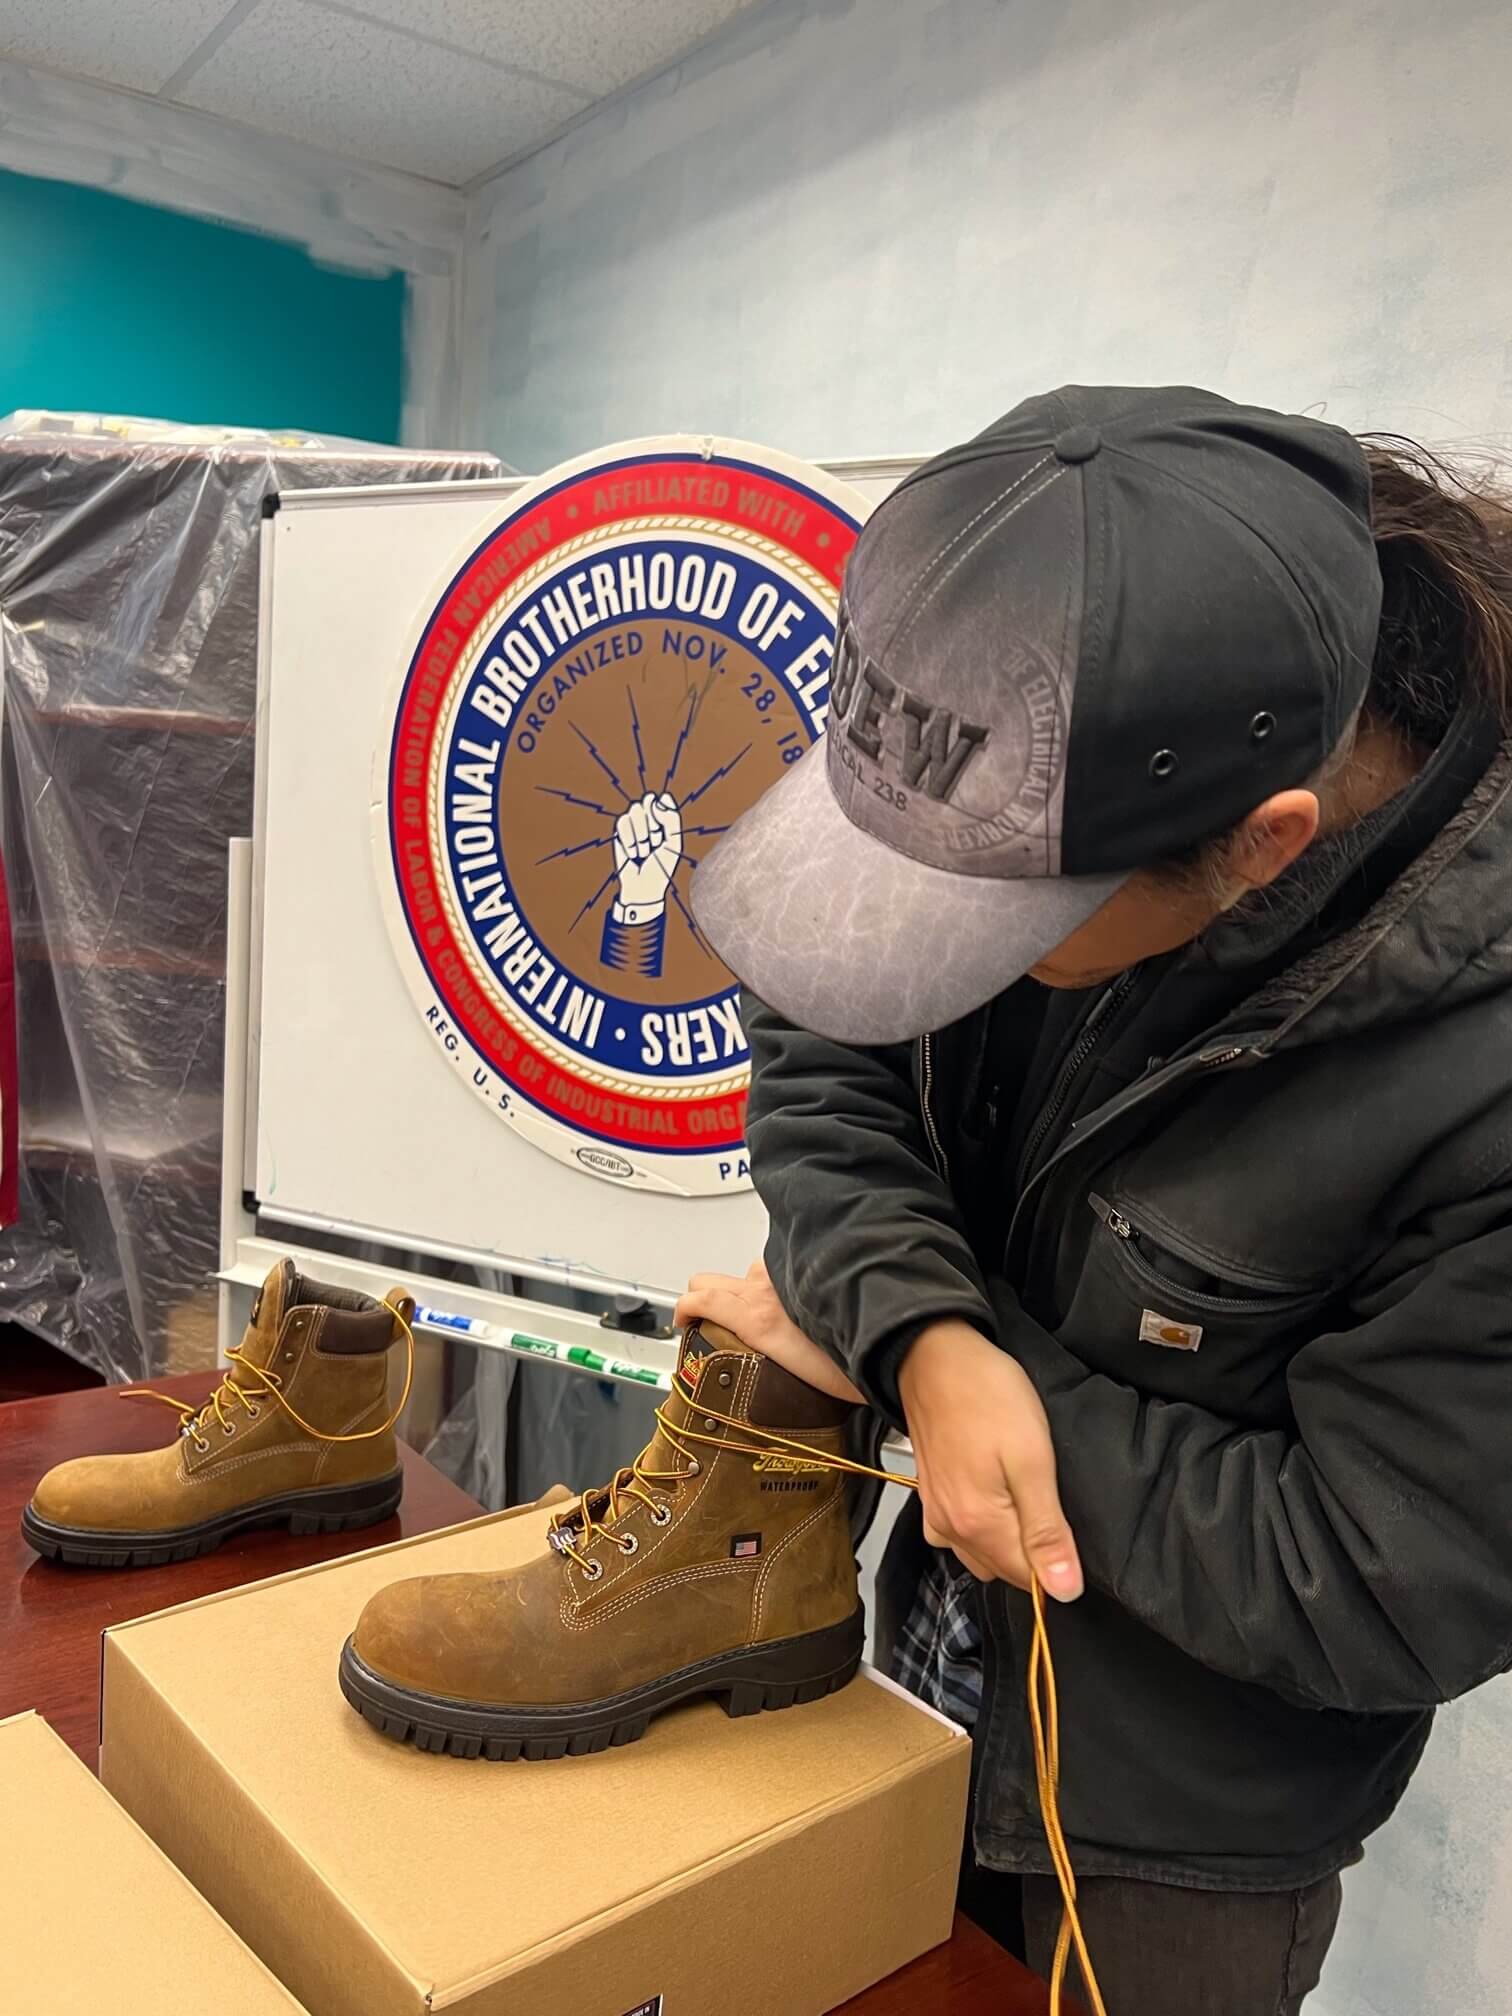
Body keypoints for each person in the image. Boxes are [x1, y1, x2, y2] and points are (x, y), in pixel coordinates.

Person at [677, 385, 1512, 2015]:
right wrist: (920, 1333)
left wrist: (998, 1382)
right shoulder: (1035, 720)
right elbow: (828, 1020)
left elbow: (1382, 1577)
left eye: (976, 929)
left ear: (1261, 850)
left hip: (1179, 1848)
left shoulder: (1480, 1078)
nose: (923, 947)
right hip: (924, 1655)